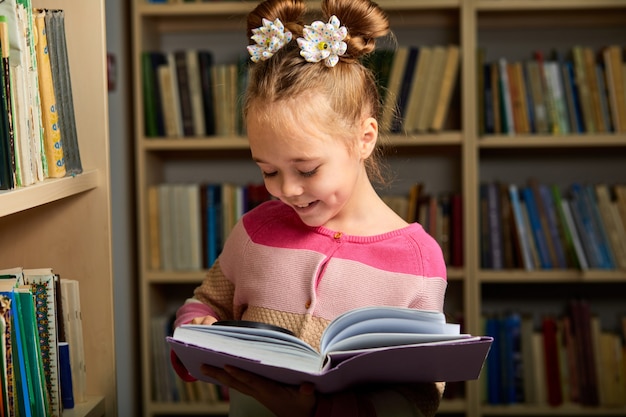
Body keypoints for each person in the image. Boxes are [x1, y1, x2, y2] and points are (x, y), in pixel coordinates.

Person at [171, 0, 448, 415]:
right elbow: (206, 303)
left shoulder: (418, 261)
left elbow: (422, 396)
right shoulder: (255, 232)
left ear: (364, 138)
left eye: (307, 168)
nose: (287, 189)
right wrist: (195, 329)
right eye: (268, 171)